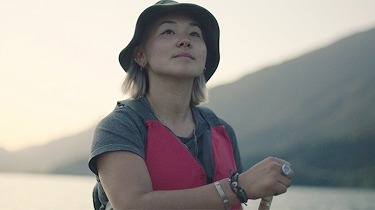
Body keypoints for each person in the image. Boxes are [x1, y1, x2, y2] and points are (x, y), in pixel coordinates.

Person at [88, 0, 294, 209]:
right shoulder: (119, 127)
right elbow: (133, 205)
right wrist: (237, 187)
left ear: (205, 59)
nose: (185, 40)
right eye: (168, 31)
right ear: (141, 55)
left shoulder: (223, 131)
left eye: (194, 34)